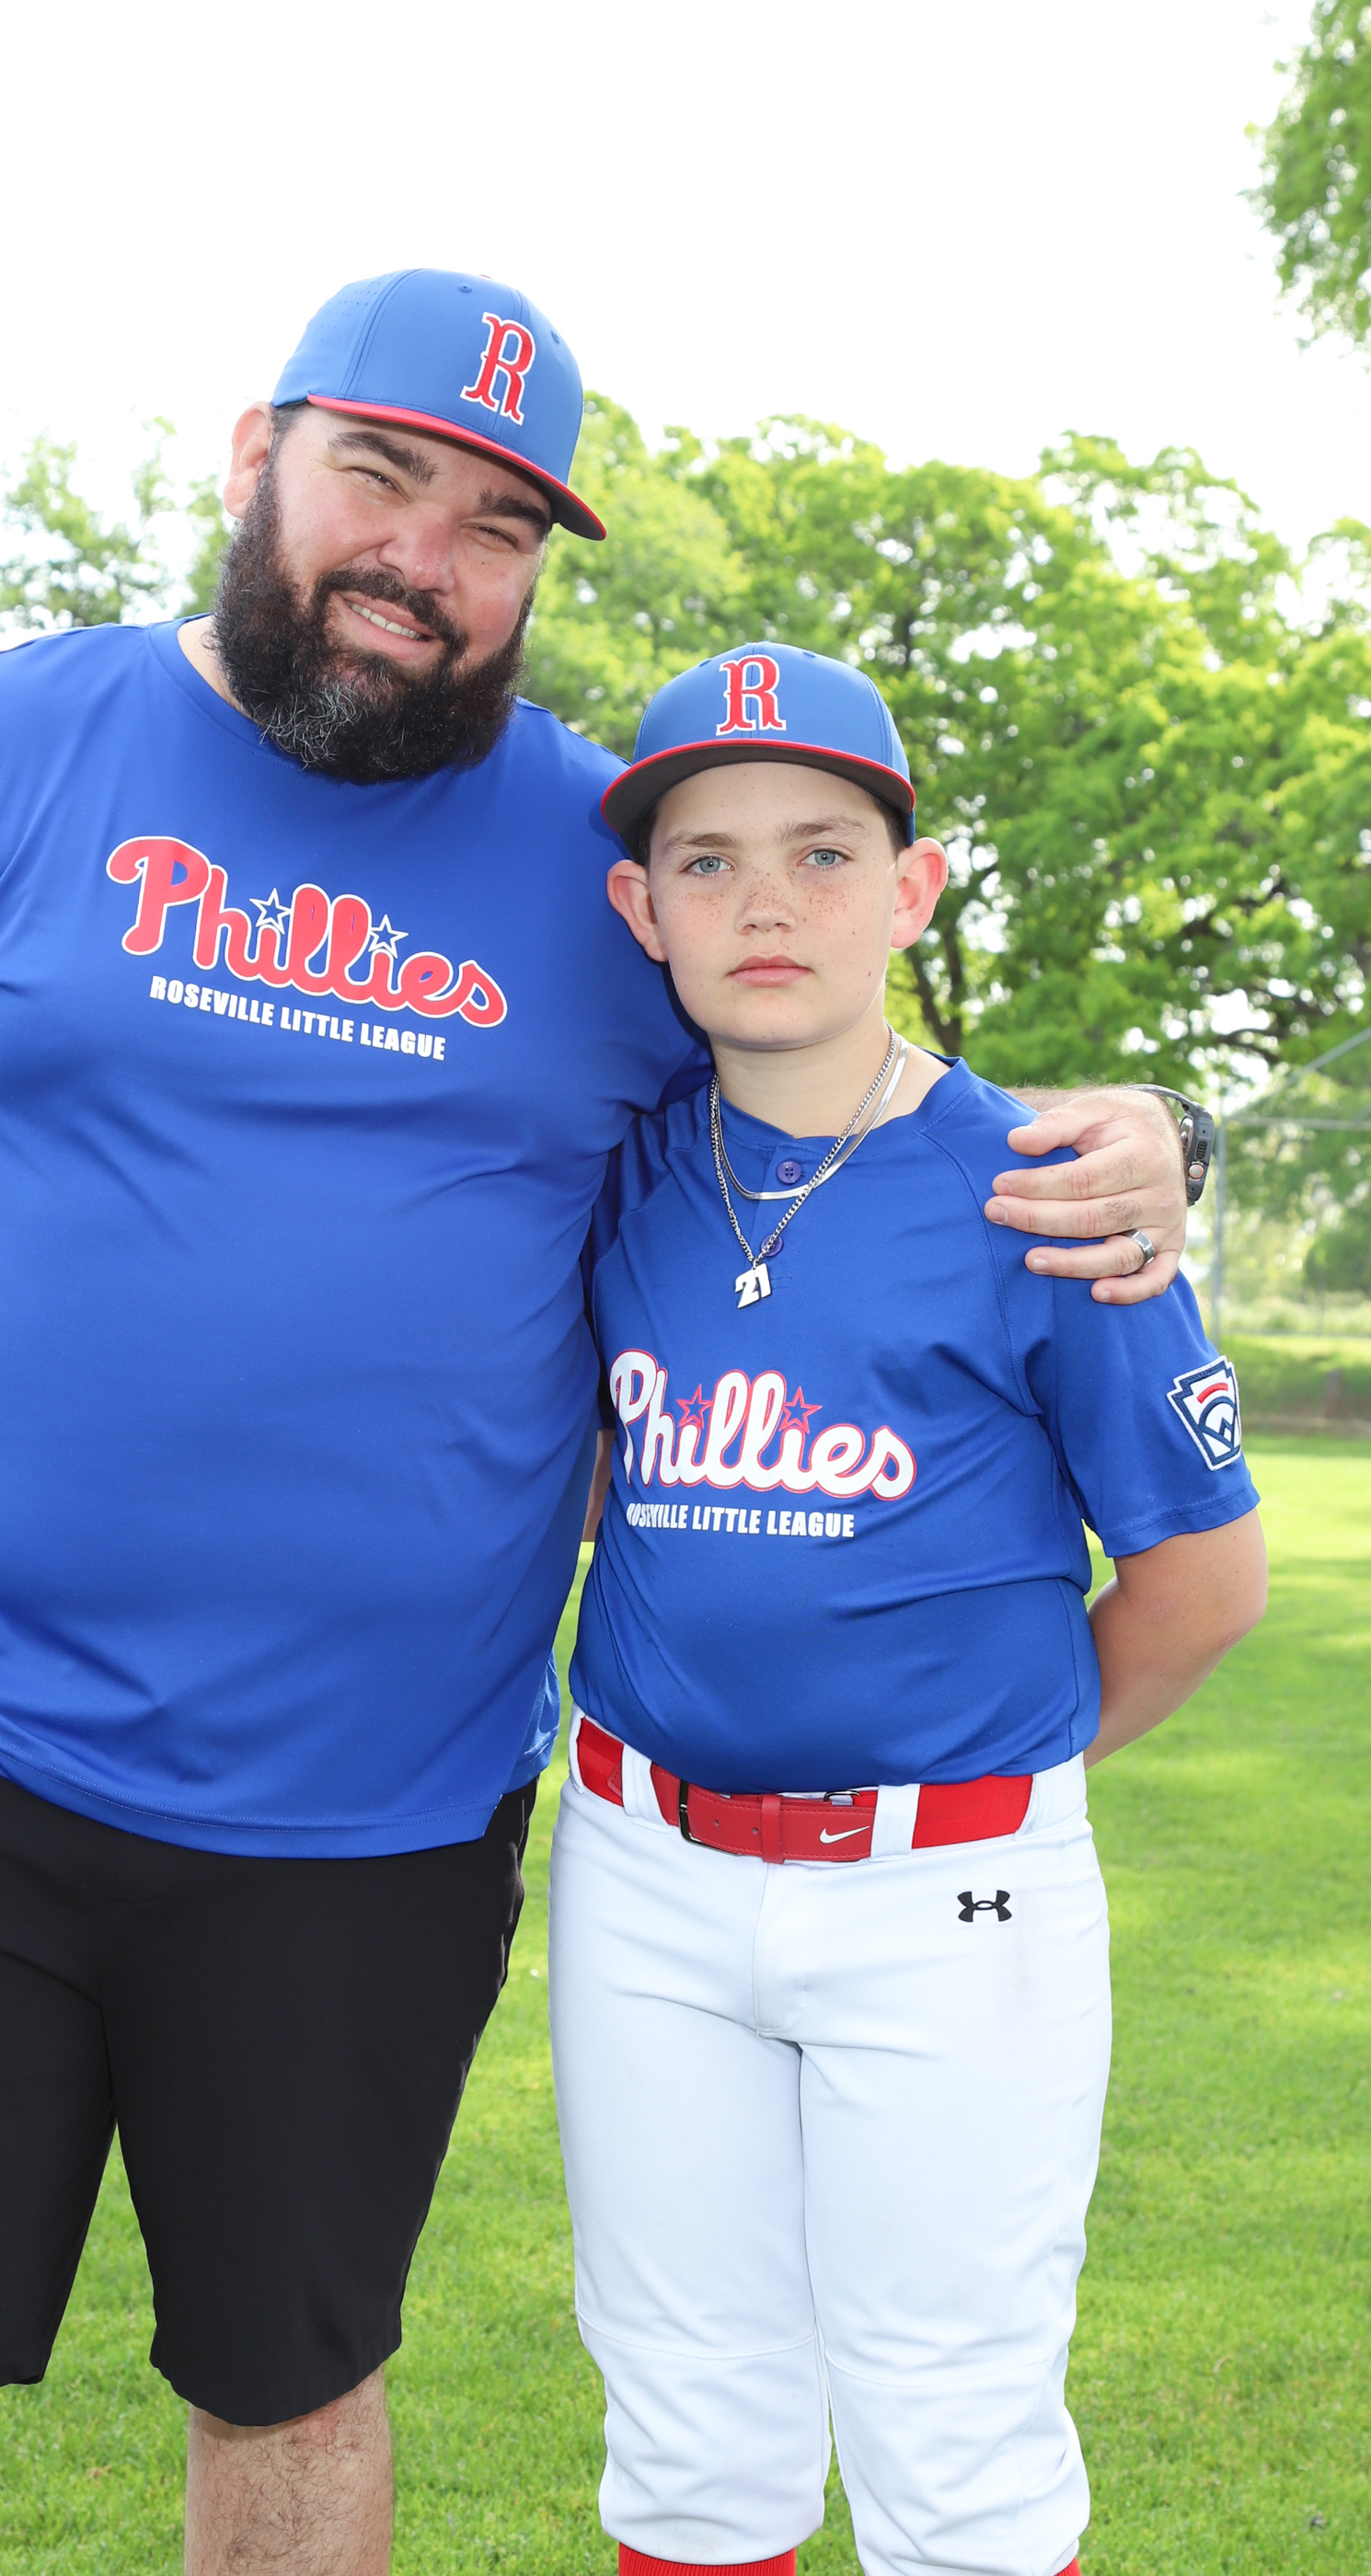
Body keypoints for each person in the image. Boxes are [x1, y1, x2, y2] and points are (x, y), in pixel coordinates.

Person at [0, 270, 1198, 2576]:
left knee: (297, 2386)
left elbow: (848, 1061)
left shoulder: (600, 863)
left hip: (371, 1803)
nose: (426, 556)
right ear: (256, 456)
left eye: (497, 525)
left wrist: (1139, 1131)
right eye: (382, 474)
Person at [548, 641, 1266, 2576]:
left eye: (823, 851)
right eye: (705, 860)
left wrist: (993, 1760)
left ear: (914, 887)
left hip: (949, 1890)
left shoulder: (1042, 1190)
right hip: (643, 1867)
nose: (765, 901)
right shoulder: (618, 1166)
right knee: (687, 2432)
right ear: (640, 908)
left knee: (955, 2444)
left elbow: (1203, 1582)